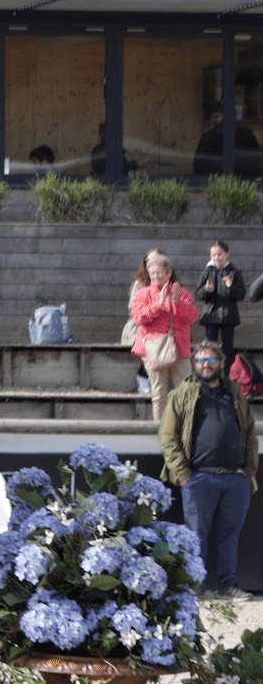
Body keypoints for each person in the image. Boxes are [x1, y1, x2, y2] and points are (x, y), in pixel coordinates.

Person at [159, 341, 256, 598]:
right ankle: (195, 586)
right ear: (194, 364)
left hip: (235, 478)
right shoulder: (182, 394)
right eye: (201, 360)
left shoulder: (234, 394)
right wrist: (183, 474)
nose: (206, 365)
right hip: (199, 477)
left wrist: (248, 470)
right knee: (196, 535)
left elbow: (249, 432)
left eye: (211, 360)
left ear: (221, 363)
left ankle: (227, 585)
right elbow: (167, 436)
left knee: (230, 534)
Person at [132, 249, 200, 422]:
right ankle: (160, 431)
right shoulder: (143, 294)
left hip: (180, 348)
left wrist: (177, 302)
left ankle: (186, 430)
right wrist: (158, 304)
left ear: (169, 273)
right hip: (154, 349)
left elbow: (192, 317)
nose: (155, 276)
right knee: (159, 394)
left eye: (159, 273)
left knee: (186, 393)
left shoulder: (182, 293)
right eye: (152, 273)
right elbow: (139, 318)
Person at [198, 241, 245, 356]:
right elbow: (198, 294)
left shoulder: (235, 272)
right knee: (210, 347)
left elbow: (241, 295)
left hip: (228, 316)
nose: (217, 257)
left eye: (220, 254)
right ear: (210, 256)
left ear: (227, 254)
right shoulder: (206, 272)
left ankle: (228, 367)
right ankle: (210, 367)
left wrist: (230, 287)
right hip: (211, 315)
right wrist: (206, 290)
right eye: (214, 255)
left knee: (228, 347)